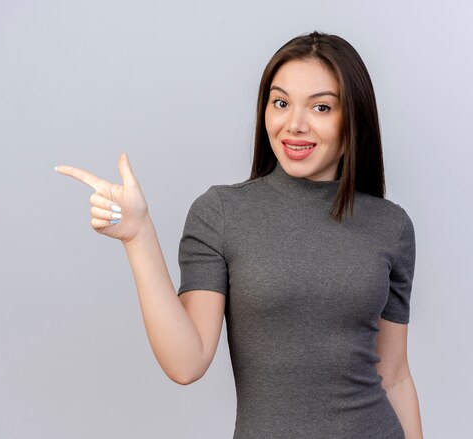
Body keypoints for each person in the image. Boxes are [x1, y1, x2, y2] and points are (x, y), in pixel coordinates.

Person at [55, 31, 423, 439]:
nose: (294, 124)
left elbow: (394, 377)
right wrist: (138, 235)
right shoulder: (222, 215)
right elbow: (186, 362)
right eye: (280, 103)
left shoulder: (392, 227)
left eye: (321, 107)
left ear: (353, 118)